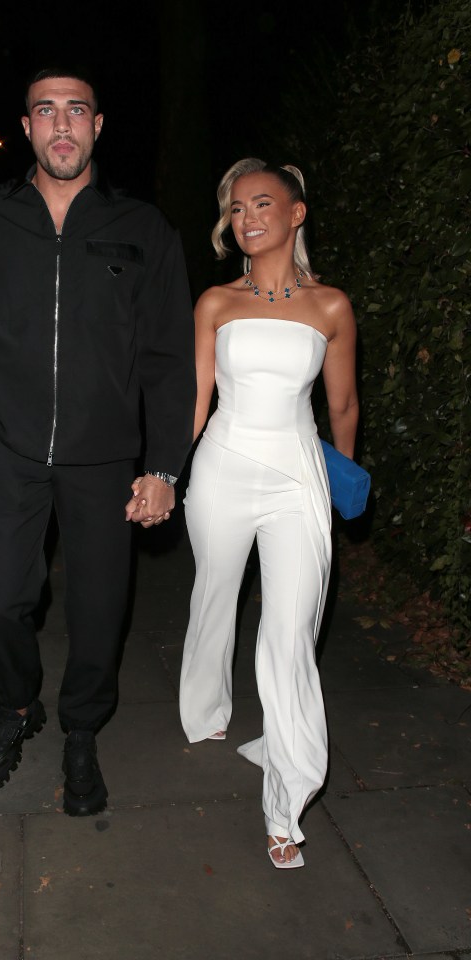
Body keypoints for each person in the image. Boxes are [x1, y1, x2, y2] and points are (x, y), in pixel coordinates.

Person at [0, 67, 195, 816]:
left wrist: (165, 466)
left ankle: (82, 728)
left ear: (98, 127)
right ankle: (16, 708)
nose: (63, 124)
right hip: (5, 449)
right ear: (29, 126)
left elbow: (171, 358)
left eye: (77, 110)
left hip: (106, 458)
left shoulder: (143, 229)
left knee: (101, 607)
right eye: (47, 111)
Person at [178, 158, 358, 868]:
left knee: (289, 633)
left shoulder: (332, 306)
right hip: (222, 465)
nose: (246, 217)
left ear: (296, 213)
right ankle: (205, 710)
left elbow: (341, 405)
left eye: (261, 203)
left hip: (297, 476)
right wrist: (165, 472)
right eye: (235, 208)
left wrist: (343, 481)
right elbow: (197, 399)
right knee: (215, 594)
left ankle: (286, 803)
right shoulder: (216, 302)